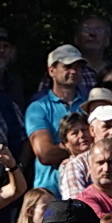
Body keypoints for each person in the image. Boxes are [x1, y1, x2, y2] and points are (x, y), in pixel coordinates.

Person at [26, 45, 87, 194]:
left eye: (78, 67)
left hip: (86, 190)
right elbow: (46, 154)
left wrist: (63, 147)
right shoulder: (38, 108)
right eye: (67, 66)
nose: (74, 71)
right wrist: (85, 147)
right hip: (49, 193)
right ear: (51, 70)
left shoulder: (89, 104)